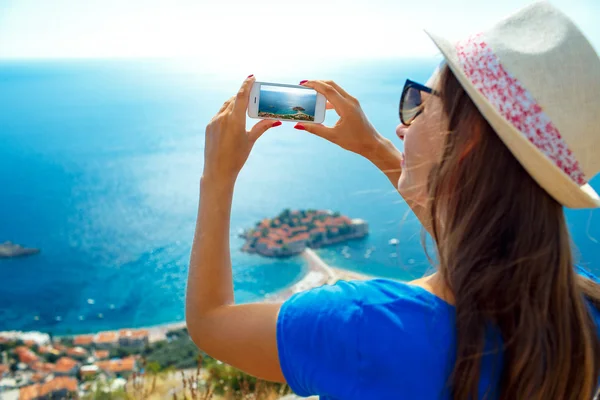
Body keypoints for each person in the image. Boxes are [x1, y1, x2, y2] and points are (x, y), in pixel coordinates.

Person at [185, 2, 600, 399]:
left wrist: (217, 178)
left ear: (468, 137)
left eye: (418, 102)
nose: (403, 127)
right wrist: (373, 147)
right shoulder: (580, 311)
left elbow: (211, 322)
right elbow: (473, 236)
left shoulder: (365, 326)